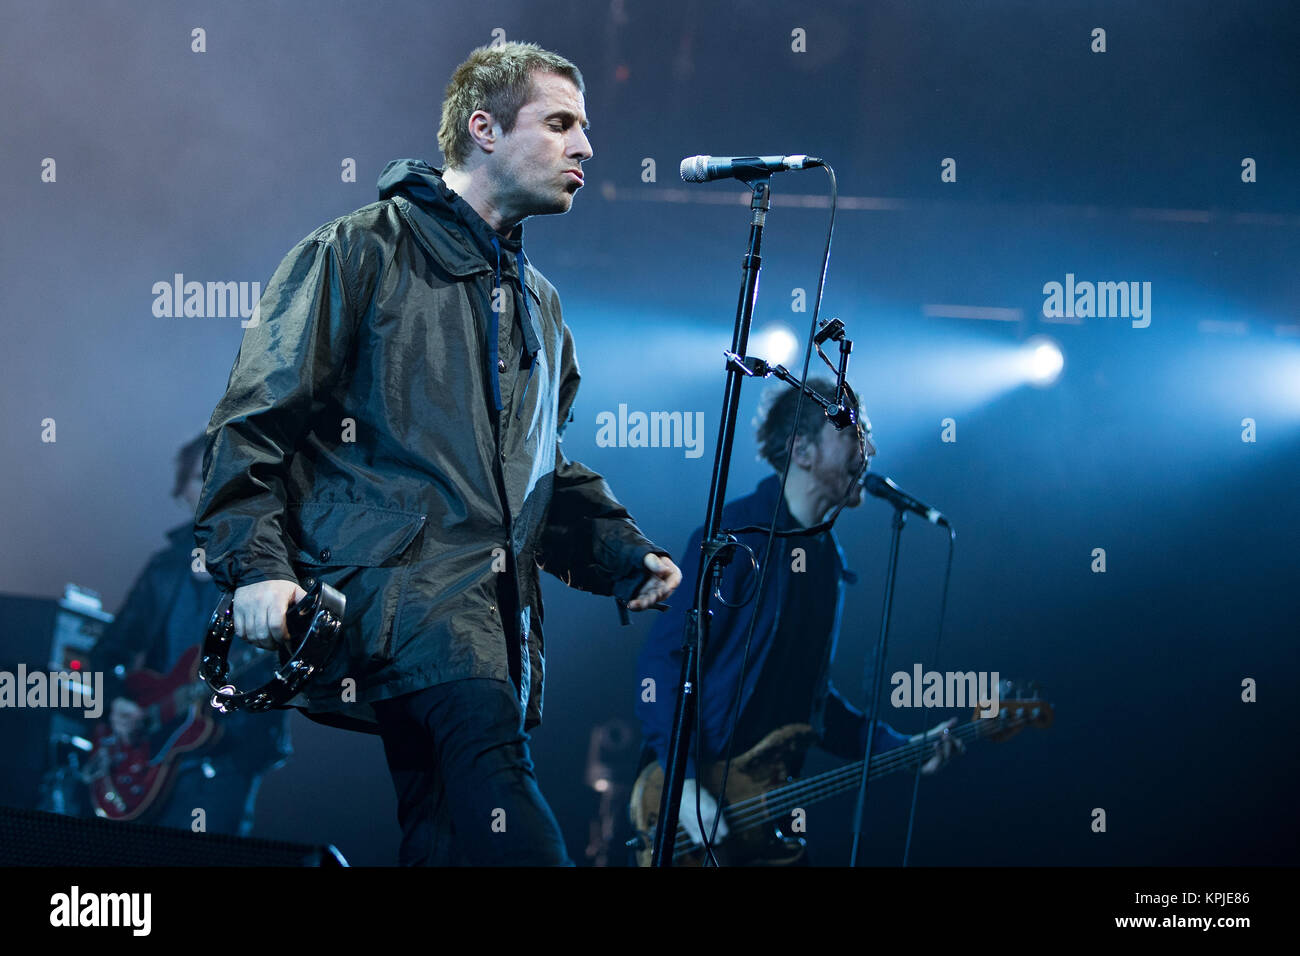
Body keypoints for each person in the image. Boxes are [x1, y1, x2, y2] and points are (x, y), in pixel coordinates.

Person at [194, 42, 681, 866]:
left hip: (494, 623)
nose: (586, 147)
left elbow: (535, 473)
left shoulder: (542, 306)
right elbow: (254, 422)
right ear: (484, 129)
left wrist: (622, 554)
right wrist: (257, 568)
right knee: (496, 787)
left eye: (584, 127)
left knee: (444, 833)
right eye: (560, 123)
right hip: (400, 606)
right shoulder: (358, 251)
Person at [634, 379, 958, 864]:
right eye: (853, 431)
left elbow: (811, 703)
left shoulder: (826, 562)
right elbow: (666, 662)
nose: (869, 447)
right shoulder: (737, 538)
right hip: (695, 806)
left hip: (762, 816)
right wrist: (682, 786)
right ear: (801, 450)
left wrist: (902, 746)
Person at [89, 433, 290, 836]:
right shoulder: (165, 568)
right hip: (153, 747)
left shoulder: (268, 560)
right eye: (202, 478)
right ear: (182, 490)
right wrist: (120, 703)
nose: (213, 488)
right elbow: (108, 652)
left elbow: (292, 654)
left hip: (230, 748)